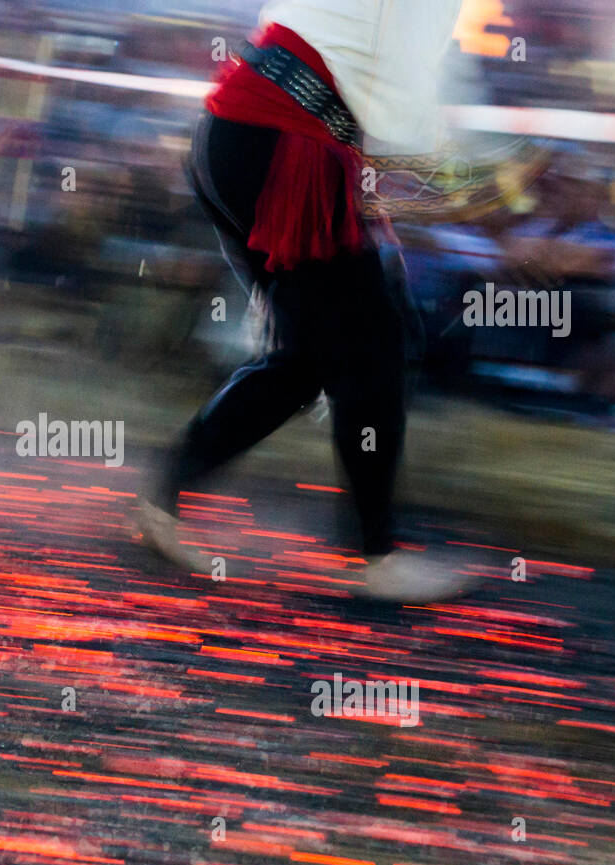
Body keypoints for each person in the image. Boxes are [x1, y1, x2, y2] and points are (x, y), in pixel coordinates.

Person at [138, 0, 467, 601]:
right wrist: (473, 191)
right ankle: (376, 558)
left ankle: (166, 498)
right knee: (374, 344)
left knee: (313, 355)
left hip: (241, 134)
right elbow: (402, 115)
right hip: (284, 149)